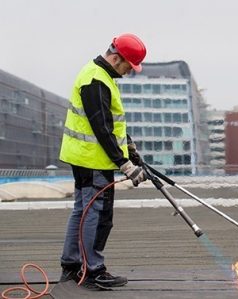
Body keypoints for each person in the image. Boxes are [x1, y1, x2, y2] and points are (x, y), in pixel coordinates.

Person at [58, 33, 147, 290]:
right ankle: (93, 270)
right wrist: (125, 164)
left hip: (87, 157)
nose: (129, 71)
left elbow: (110, 123)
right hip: (94, 160)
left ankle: (72, 265)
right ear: (116, 58)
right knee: (97, 215)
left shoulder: (100, 75)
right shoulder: (96, 80)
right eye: (128, 66)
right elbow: (101, 128)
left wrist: (128, 145)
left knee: (82, 211)